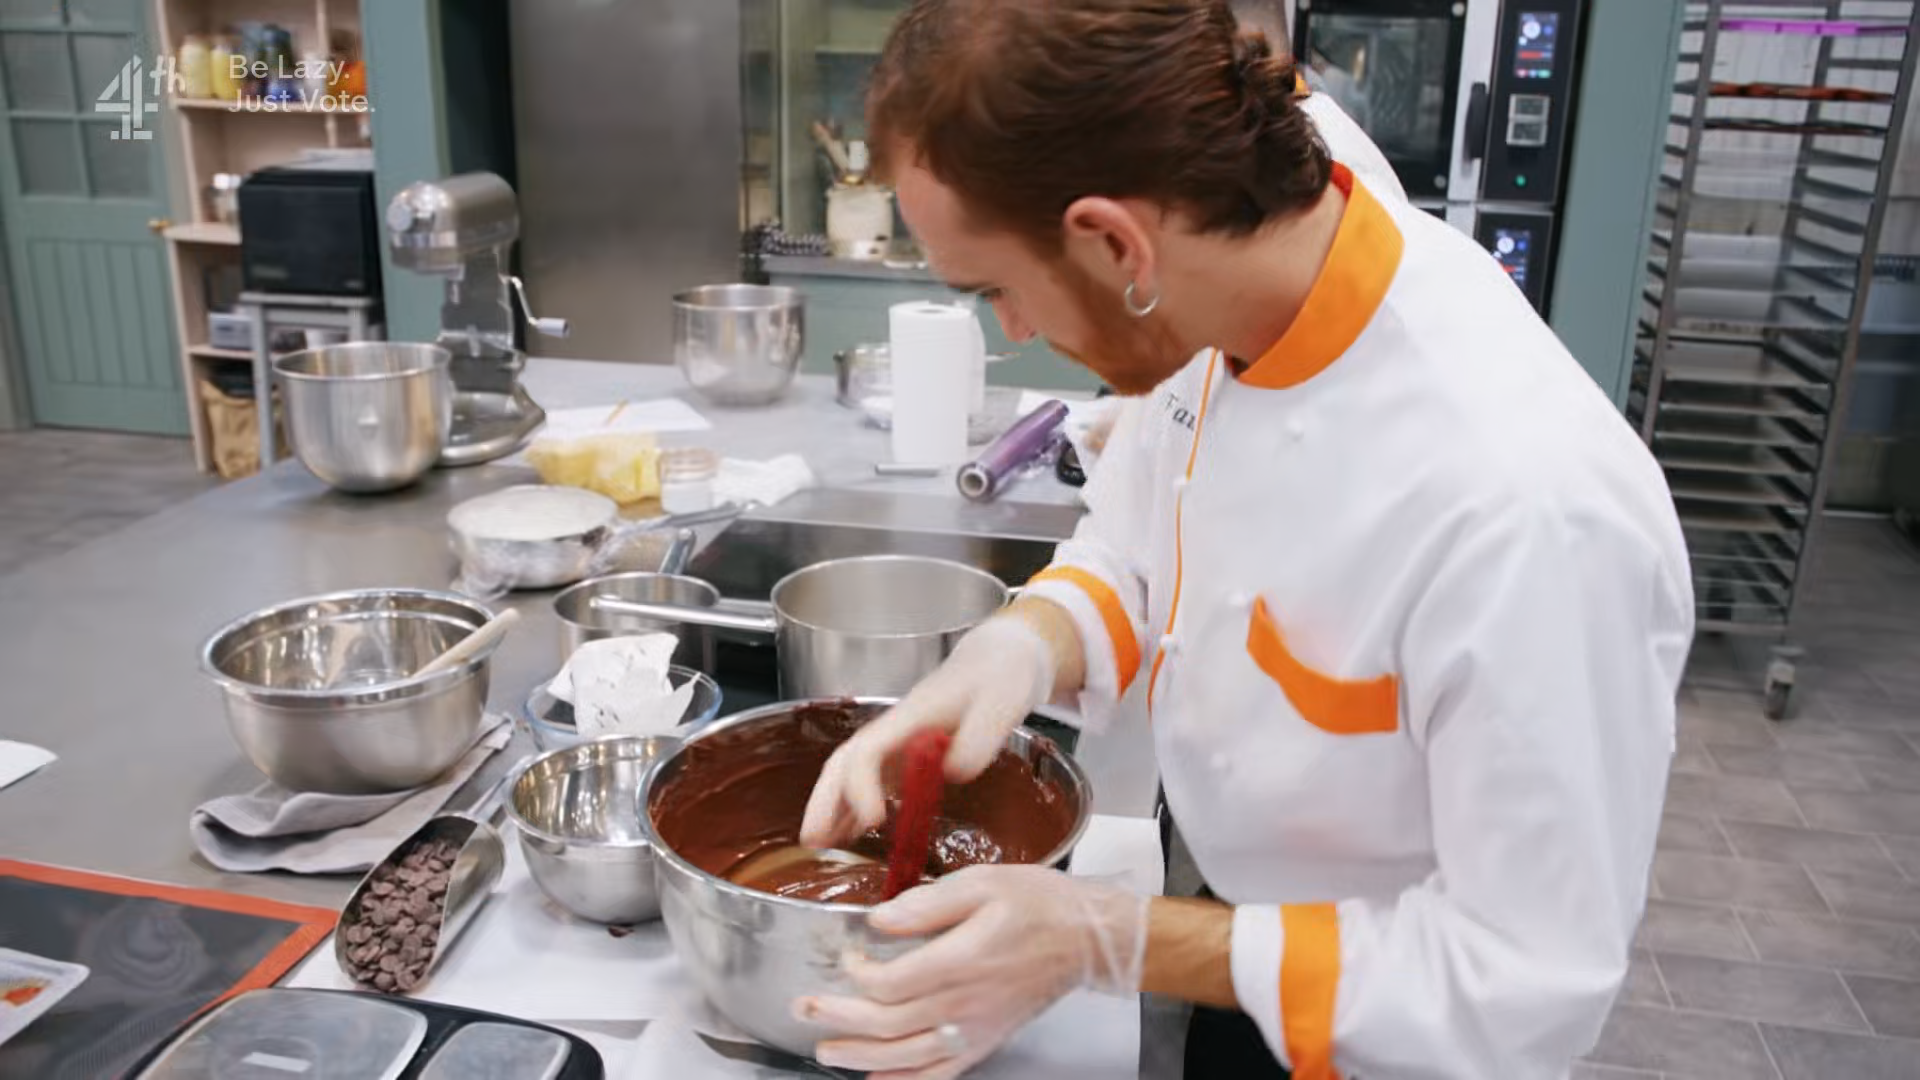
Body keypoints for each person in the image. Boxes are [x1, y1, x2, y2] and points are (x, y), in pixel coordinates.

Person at [795, 2, 1694, 1078]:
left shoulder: (1527, 512)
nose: (1014, 330)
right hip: (1237, 946)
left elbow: (1517, 986)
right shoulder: (1216, 257)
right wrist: (1020, 646)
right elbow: (1140, 537)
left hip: (1395, 1040)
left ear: (1116, 241)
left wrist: (1105, 940)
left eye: (996, 289)